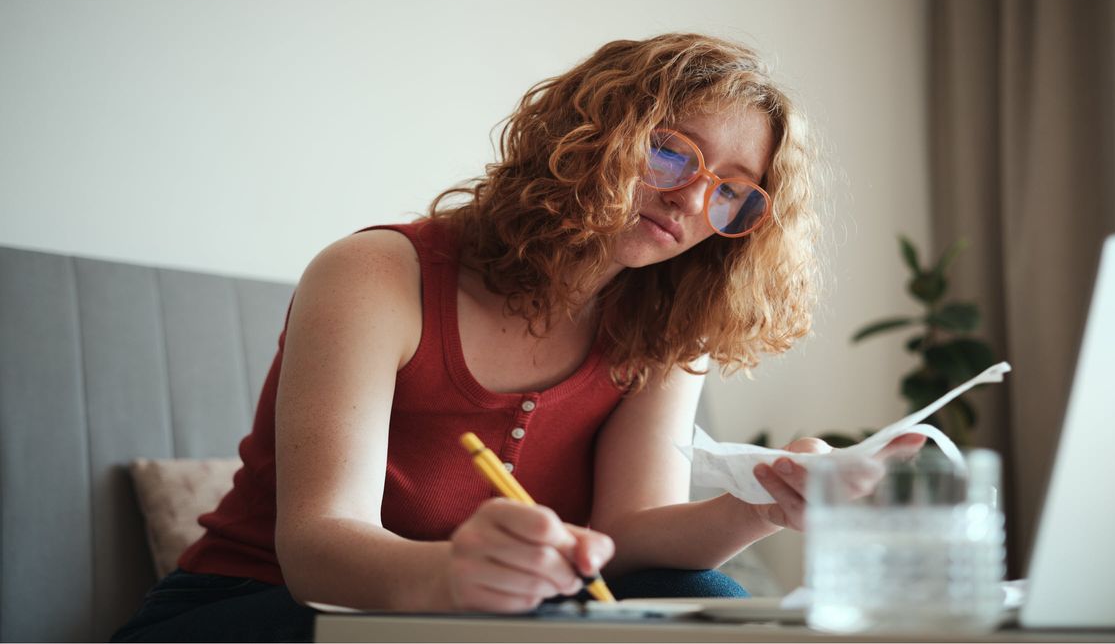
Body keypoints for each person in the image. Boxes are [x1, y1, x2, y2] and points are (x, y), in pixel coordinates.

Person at [112, 32, 923, 642]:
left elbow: (630, 533)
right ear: (592, 133)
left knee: (708, 592)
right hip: (265, 607)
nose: (691, 202)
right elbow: (318, 548)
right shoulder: (376, 274)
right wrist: (459, 575)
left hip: (495, 612)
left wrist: (768, 502)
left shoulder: (669, 322)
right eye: (672, 152)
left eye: (734, 195)